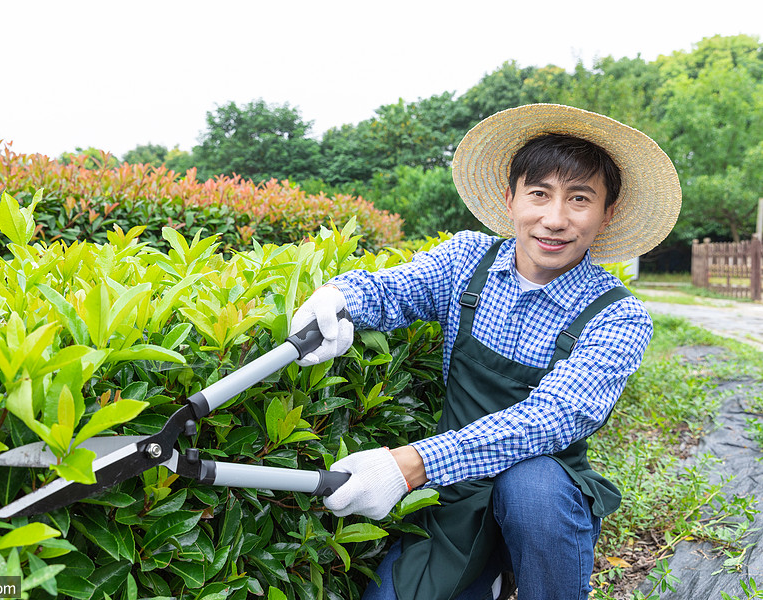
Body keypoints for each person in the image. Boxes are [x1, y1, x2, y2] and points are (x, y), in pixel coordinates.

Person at [288, 104, 682, 600]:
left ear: (606, 215)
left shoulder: (618, 316)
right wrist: (340, 299)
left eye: (580, 199)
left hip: (539, 504)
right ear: (511, 197)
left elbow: (550, 418)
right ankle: (491, 577)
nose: (555, 219)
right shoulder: (467, 261)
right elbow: (395, 289)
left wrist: (408, 464)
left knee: (533, 485)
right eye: (539, 194)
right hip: (453, 493)